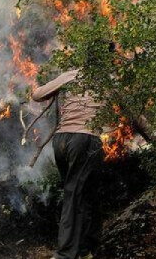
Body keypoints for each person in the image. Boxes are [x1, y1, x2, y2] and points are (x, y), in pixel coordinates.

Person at [32, 68, 105, 259]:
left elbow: (37, 95)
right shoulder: (110, 79)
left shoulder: (71, 75)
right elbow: (133, 112)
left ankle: (84, 250)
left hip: (61, 140)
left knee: (83, 193)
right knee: (76, 195)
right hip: (85, 140)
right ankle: (65, 254)